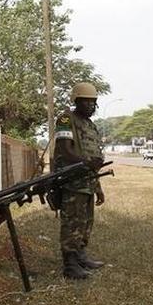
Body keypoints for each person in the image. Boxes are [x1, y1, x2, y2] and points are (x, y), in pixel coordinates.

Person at [53, 82, 106, 280]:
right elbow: (65, 150)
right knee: (72, 223)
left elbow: (94, 158)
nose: (91, 106)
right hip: (73, 181)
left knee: (85, 223)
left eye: (94, 103)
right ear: (76, 100)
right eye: (87, 102)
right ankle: (70, 264)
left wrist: (98, 187)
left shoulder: (90, 125)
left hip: (88, 183)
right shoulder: (67, 119)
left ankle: (81, 256)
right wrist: (85, 162)